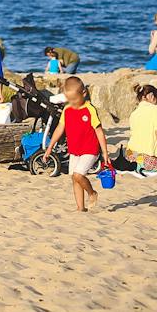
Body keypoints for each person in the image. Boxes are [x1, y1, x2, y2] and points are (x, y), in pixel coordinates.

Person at [40, 75, 107, 213]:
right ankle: (80, 207)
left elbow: (99, 131)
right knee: (74, 178)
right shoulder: (67, 110)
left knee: (78, 175)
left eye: (75, 100)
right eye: (69, 100)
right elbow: (60, 128)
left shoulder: (89, 109)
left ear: (84, 93)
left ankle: (92, 193)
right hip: (75, 149)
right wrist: (50, 147)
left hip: (90, 149)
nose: (73, 103)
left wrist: (105, 152)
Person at [126, 84, 157, 172]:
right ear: (152, 96)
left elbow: (147, 139)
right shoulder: (156, 109)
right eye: (156, 100)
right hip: (145, 161)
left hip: (130, 156)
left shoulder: (133, 114)